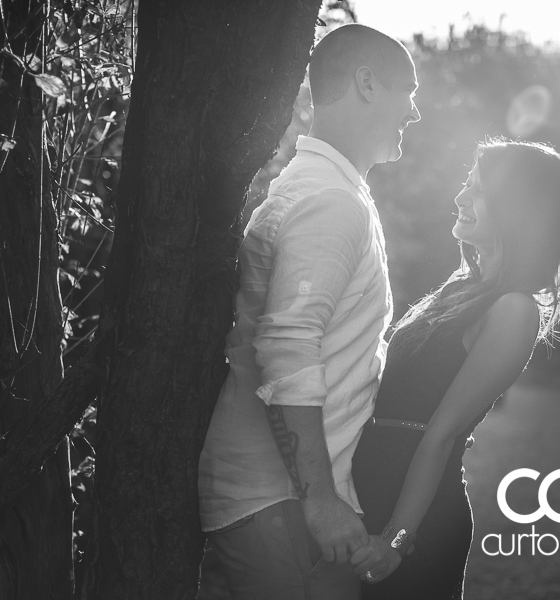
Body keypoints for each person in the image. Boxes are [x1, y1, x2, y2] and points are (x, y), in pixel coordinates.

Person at [197, 24, 420, 599]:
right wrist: (320, 501)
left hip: (280, 504)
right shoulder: (331, 201)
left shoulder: (326, 188)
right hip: (281, 508)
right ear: (367, 84)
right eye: (408, 92)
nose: (413, 113)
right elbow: (288, 345)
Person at [348, 139, 560, 599]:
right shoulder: (460, 289)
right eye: (466, 185)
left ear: (516, 209)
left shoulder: (514, 309)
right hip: (369, 492)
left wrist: (398, 539)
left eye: (476, 190)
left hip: (418, 518)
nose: (459, 198)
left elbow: (442, 433)